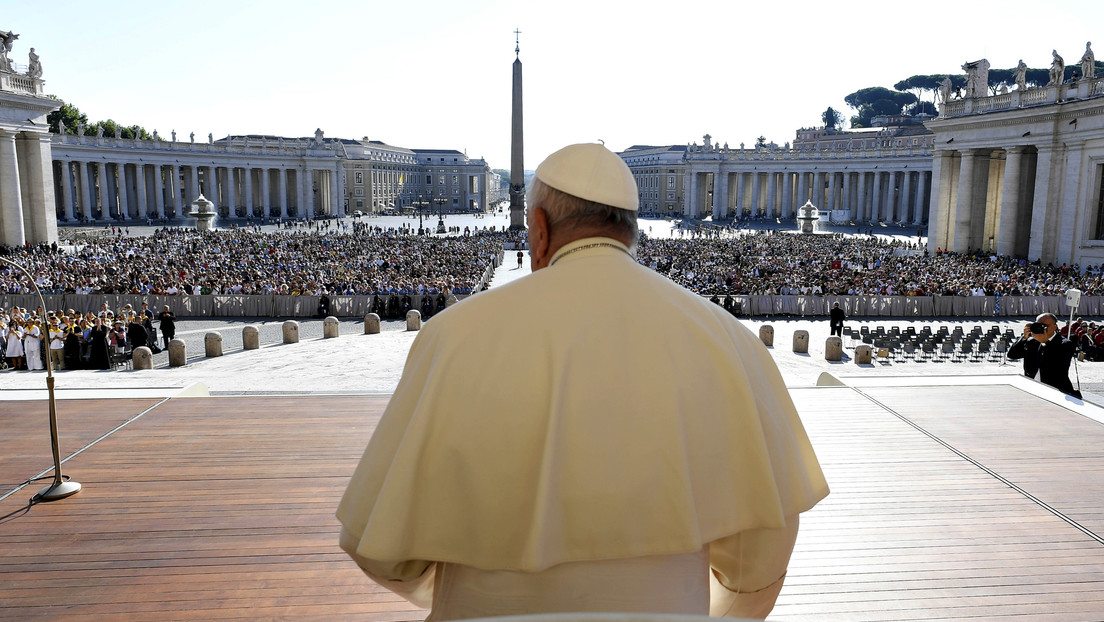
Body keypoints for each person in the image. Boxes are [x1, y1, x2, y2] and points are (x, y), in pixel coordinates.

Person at [337, 143, 829, 619]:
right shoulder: (727, 338)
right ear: (631, 232)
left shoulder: (452, 336)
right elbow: (761, 552)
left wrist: (450, 598)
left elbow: (378, 545)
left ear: (539, 228)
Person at [1007, 313, 1079, 397]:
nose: (1042, 328)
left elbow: (1059, 367)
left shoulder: (1065, 343)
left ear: (1055, 327)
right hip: (1032, 388)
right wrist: (1024, 337)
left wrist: (1045, 343)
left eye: (1045, 325)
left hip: (1055, 390)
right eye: (1038, 325)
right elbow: (1012, 355)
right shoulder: (1032, 341)